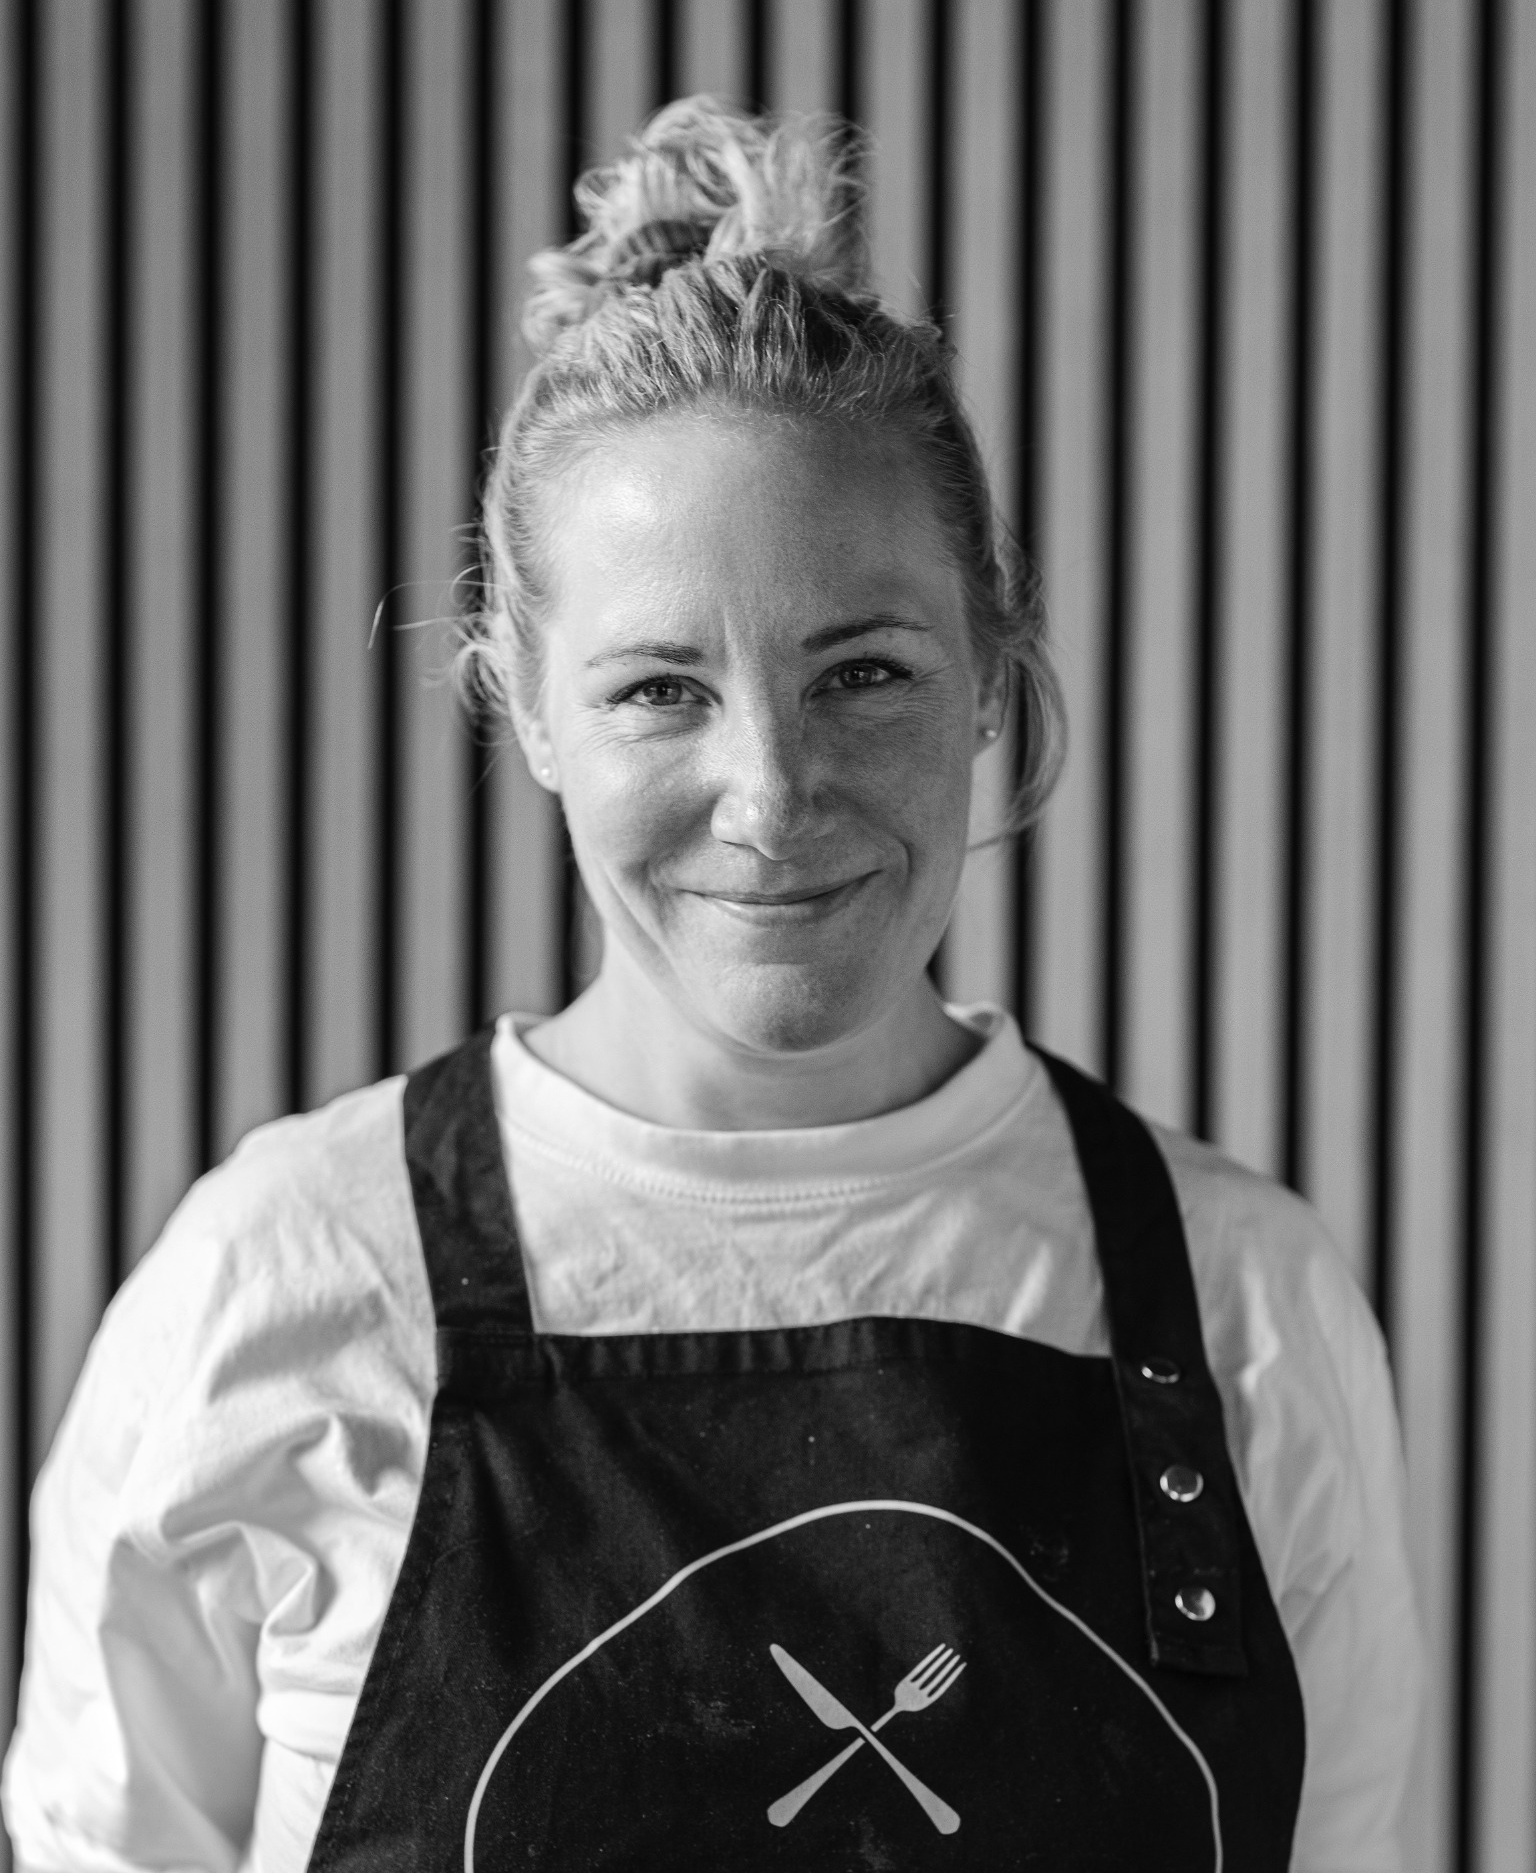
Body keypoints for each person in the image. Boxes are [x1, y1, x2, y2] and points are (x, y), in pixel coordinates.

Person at [3, 98, 1418, 1871]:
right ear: (525, 706)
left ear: (991, 672)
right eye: (659, 689)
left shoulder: (1244, 1307)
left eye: (865, 673)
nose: (771, 797)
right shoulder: (280, 1287)